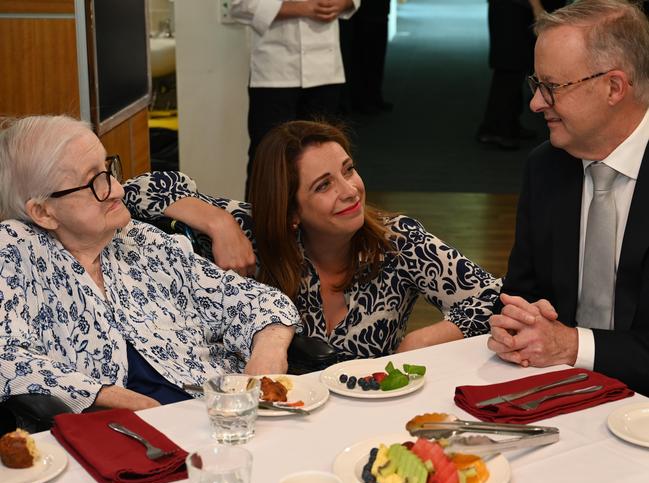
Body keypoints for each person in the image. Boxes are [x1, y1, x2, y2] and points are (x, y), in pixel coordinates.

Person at [124, 120, 502, 360]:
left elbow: (497, 297)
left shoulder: (397, 240)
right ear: (290, 212)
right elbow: (130, 192)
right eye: (324, 185)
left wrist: (417, 345)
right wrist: (217, 222)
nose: (350, 190)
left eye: (348, 170)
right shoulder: (249, 229)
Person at [0, 115, 299, 414]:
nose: (117, 189)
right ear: (43, 212)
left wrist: (267, 354)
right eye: (96, 182)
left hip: (224, 413)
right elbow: (6, 357)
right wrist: (109, 397)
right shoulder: (15, 251)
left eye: (108, 169)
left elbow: (256, 300)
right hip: (122, 440)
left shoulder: (141, 241)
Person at [487, 0, 649, 395]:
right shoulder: (546, 167)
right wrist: (518, 321)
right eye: (536, 84)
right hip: (562, 396)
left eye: (553, 87)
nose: (536, 103)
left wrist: (572, 344)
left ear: (614, 87)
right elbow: (521, 291)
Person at [229, 0, 360, 197]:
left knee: (325, 153)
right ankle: (255, 224)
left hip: (324, 69)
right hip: (274, 71)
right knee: (267, 156)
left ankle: (323, 223)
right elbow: (239, 6)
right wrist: (301, 7)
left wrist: (345, 3)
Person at [477, 0, 565, 150]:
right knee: (509, 67)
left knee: (517, 67)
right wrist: (537, 7)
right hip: (514, 9)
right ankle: (497, 129)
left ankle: (509, 123)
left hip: (521, 10)